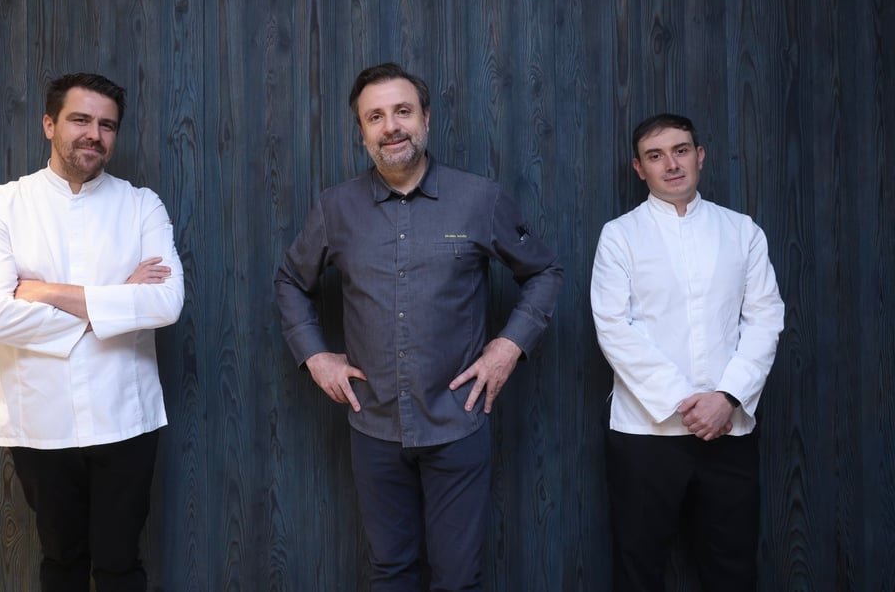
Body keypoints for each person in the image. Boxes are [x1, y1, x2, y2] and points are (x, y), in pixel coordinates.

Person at [275, 62, 563, 590]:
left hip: (458, 420)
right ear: (362, 131)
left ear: (425, 118)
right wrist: (316, 354)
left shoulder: (480, 198)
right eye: (376, 116)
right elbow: (291, 281)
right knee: (392, 571)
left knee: (457, 578)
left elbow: (544, 271)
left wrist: (507, 347)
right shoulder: (335, 208)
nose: (391, 126)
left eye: (402, 111)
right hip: (374, 424)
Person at [0, 72, 184, 592]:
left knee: (119, 566)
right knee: (60, 563)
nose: (94, 134)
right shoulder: (3, 204)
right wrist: (114, 300)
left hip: (126, 416)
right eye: (80, 120)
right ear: (49, 124)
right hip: (41, 419)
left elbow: (166, 302)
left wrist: (46, 292)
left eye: (106, 125)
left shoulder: (142, 206)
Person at [590, 113, 785, 591]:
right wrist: (686, 401)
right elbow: (615, 328)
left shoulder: (742, 231)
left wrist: (725, 398)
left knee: (733, 570)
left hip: (729, 429)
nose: (671, 164)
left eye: (680, 150)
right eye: (656, 156)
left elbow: (765, 318)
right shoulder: (619, 236)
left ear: (700, 156)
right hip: (644, 433)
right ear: (639, 169)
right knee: (639, 571)